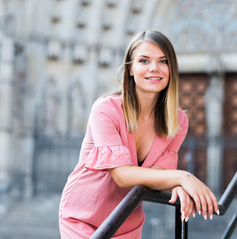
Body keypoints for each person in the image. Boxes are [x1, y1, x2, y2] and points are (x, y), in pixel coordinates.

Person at [59, 30, 219, 238]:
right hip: (82, 217)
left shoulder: (178, 121)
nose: (154, 68)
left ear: (172, 69)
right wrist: (183, 177)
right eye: (144, 61)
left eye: (163, 61)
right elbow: (122, 175)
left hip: (127, 219)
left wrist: (176, 185)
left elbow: (157, 175)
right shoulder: (105, 109)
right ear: (131, 69)